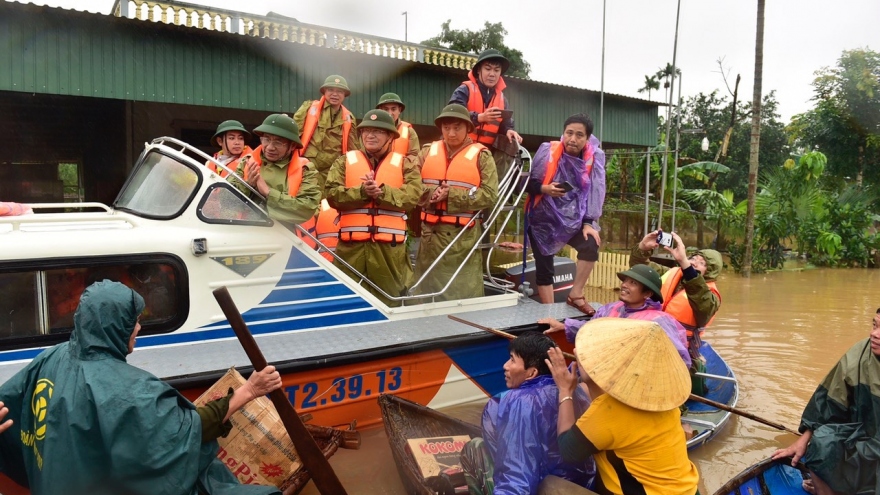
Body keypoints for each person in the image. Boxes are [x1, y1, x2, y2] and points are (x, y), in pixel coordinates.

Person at [0, 280, 282, 495]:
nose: (138, 329)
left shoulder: (53, 356)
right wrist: (250, 390)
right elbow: (189, 431)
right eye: (133, 322)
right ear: (116, 327)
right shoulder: (126, 391)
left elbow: (7, 401)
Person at [546, 318, 699, 495]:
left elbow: (568, 450)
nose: (576, 353)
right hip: (689, 490)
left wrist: (565, 391)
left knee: (549, 485)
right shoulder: (664, 401)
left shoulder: (609, 411)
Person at [460, 332, 595, 495]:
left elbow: (516, 473)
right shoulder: (576, 390)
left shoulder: (518, 401)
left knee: (474, 447)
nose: (505, 365)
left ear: (531, 373)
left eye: (512, 359)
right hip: (579, 487)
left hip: (541, 489)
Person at [771, 308, 880, 495]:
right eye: (875, 325)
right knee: (823, 442)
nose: (874, 334)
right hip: (865, 437)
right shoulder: (860, 355)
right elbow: (830, 403)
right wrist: (803, 441)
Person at [324, 109, 422, 306]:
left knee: (389, 301)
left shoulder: (406, 164)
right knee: (345, 301)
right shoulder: (344, 161)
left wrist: (382, 193)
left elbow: (413, 196)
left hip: (389, 252)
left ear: (390, 137)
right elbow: (332, 195)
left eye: (378, 131)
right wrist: (362, 192)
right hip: (350, 250)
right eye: (366, 130)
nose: (370, 135)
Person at [413, 104, 499, 301]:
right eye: (446, 128)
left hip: (461, 238)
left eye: (457, 127)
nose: (451, 133)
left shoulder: (482, 155)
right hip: (428, 236)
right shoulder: (426, 152)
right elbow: (411, 185)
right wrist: (432, 193)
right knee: (422, 293)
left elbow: (490, 195)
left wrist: (451, 195)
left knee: (458, 294)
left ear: (468, 128)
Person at [526, 114, 606, 315]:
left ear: (587, 139)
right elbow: (527, 184)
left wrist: (589, 222)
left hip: (572, 220)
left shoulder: (593, 158)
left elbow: (596, 191)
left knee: (591, 244)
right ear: (563, 133)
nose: (573, 139)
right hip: (542, 219)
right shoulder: (548, 151)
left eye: (580, 135)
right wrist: (545, 189)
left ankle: (575, 295)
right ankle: (549, 313)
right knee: (545, 268)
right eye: (569, 133)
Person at [541, 264, 691, 367]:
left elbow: (679, 358)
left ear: (647, 293)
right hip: (600, 368)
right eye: (625, 280)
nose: (624, 285)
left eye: (632, 283)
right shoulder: (612, 308)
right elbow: (591, 330)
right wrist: (564, 326)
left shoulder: (659, 321)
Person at [630, 230, 723, 355]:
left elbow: (701, 300)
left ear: (711, 272)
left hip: (679, 349)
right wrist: (643, 248)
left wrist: (686, 265)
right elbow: (639, 270)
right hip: (649, 335)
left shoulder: (711, 297)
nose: (694, 262)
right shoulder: (671, 273)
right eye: (693, 258)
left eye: (702, 263)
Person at [234, 114, 321, 229]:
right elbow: (225, 203)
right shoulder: (246, 162)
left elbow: (307, 208)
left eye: (278, 142)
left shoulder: (305, 169)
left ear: (292, 146)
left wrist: (268, 192)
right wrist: (247, 185)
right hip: (245, 232)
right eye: (266, 139)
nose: (270, 147)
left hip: (283, 238)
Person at [448, 49, 523, 178]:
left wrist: (509, 131)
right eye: (488, 69)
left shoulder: (502, 98)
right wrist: (479, 117)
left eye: (496, 70)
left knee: (511, 142)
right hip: (460, 149)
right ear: (479, 70)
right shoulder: (464, 89)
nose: (492, 74)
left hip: (486, 156)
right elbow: (452, 114)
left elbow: (506, 124)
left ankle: (501, 186)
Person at [293, 75, 359, 190]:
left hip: (332, 171)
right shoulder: (308, 108)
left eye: (339, 91)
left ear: (344, 95)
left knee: (328, 204)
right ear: (324, 91)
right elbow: (293, 135)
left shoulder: (349, 117)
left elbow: (353, 149)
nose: (335, 94)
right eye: (330, 90)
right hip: (307, 167)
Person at [376, 93, 420, 158]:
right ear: (380, 110)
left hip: (401, 167)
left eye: (393, 109)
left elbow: (415, 156)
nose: (390, 113)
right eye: (386, 109)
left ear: (399, 110)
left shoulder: (409, 131)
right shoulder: (370, 130)